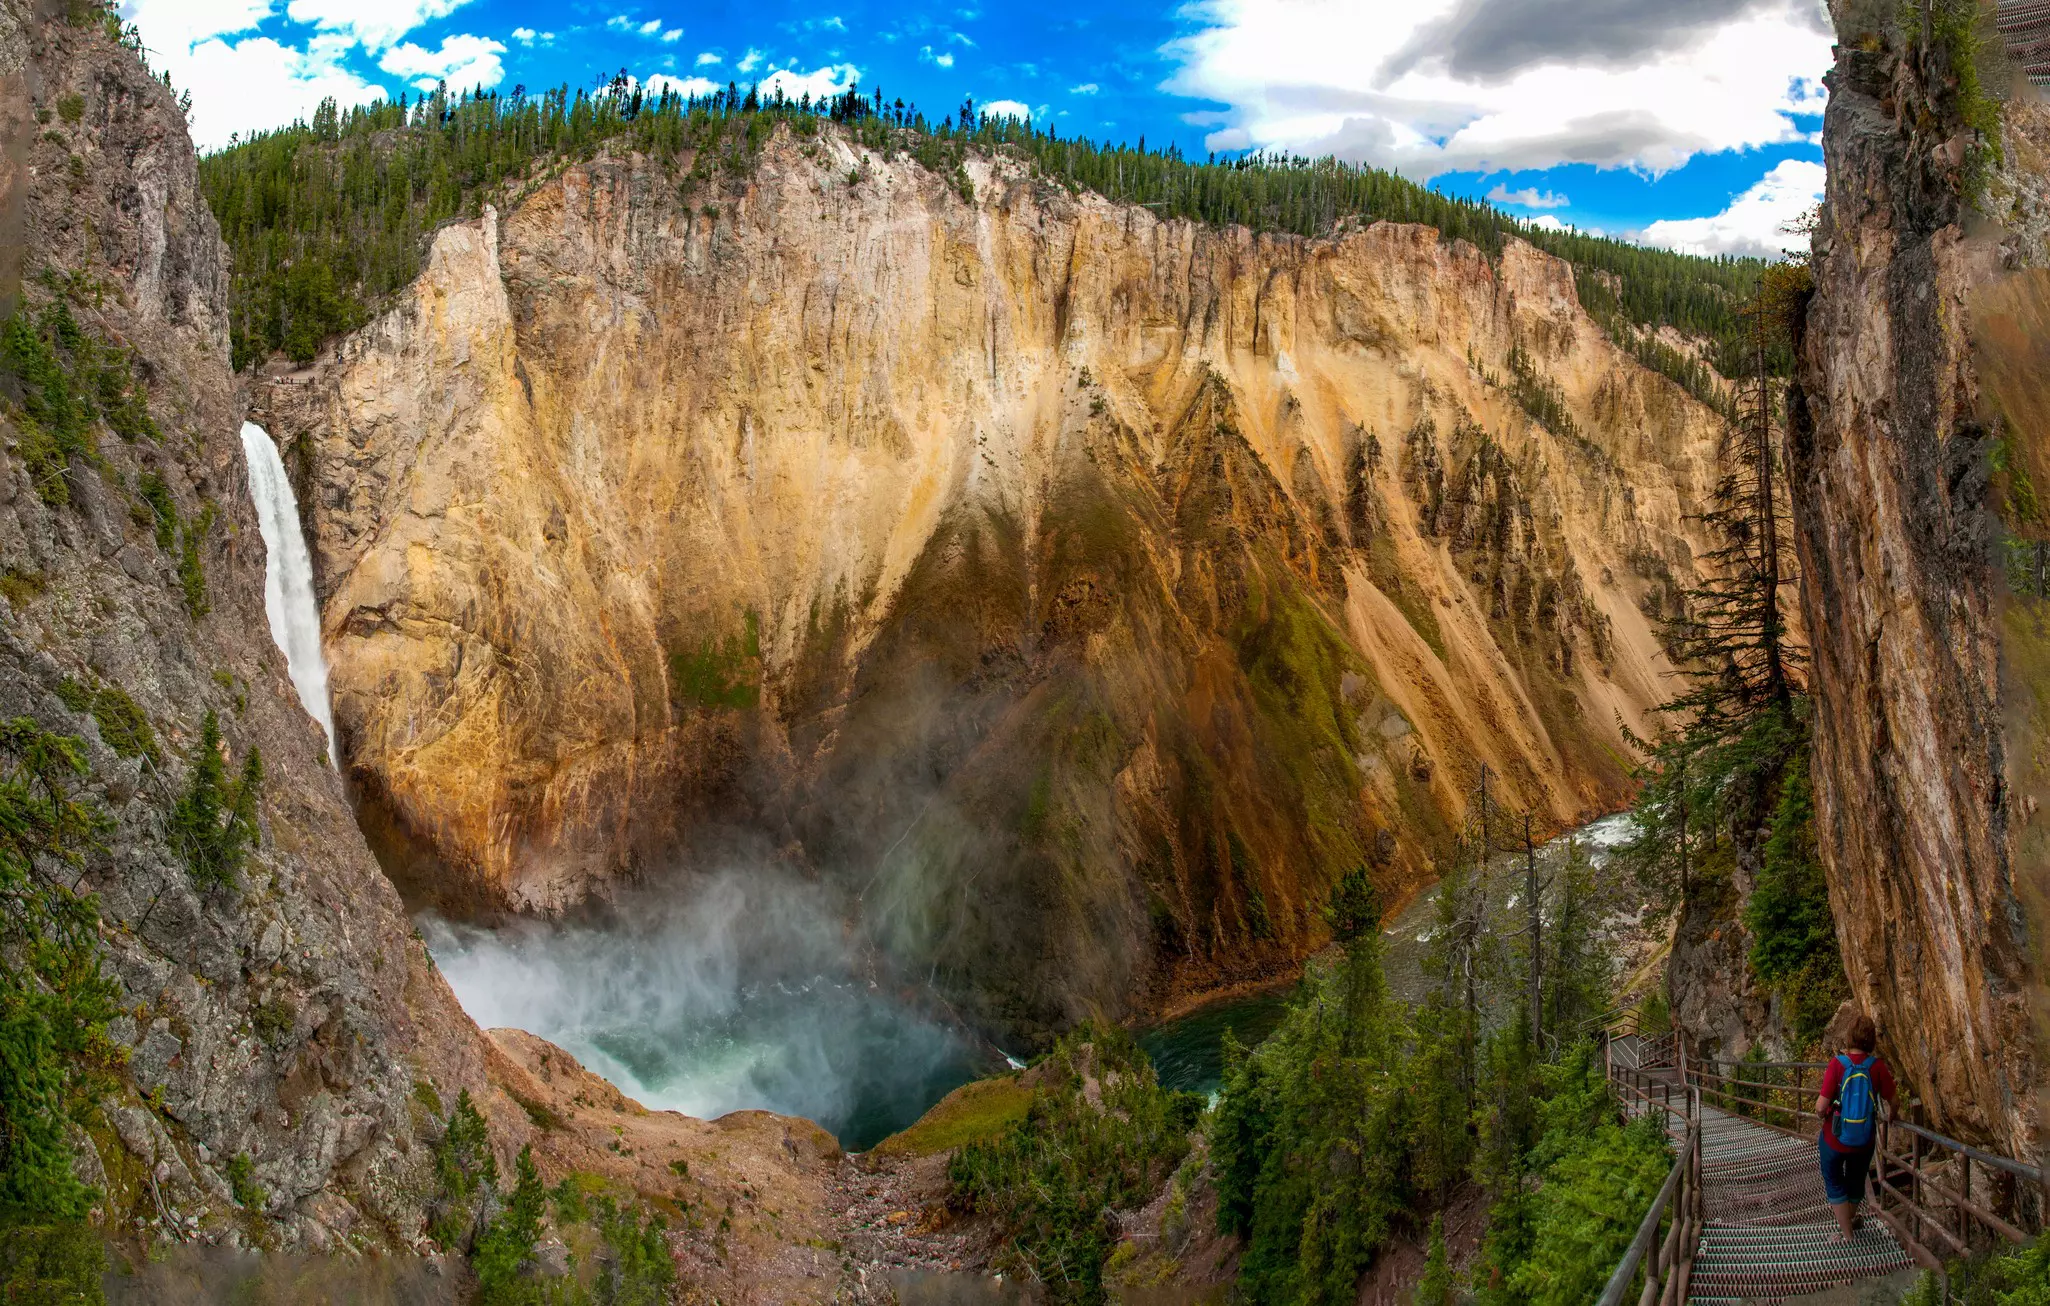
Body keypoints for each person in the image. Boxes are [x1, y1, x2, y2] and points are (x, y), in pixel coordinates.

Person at [1813, 1013, 1897, 1242]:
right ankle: (1850, 1221)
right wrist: (1893, 1116)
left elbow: (1821, 1106)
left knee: (1833, 1179)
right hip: (1864, 1140)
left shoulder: (1837, 1065)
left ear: (1849, 1037)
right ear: (1871, 1040)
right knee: (1856, 1179)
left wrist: (1823, 1112)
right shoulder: (1877, 1067)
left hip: (1835, 1137)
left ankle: (1847, 1235)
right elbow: (1893, 1099)